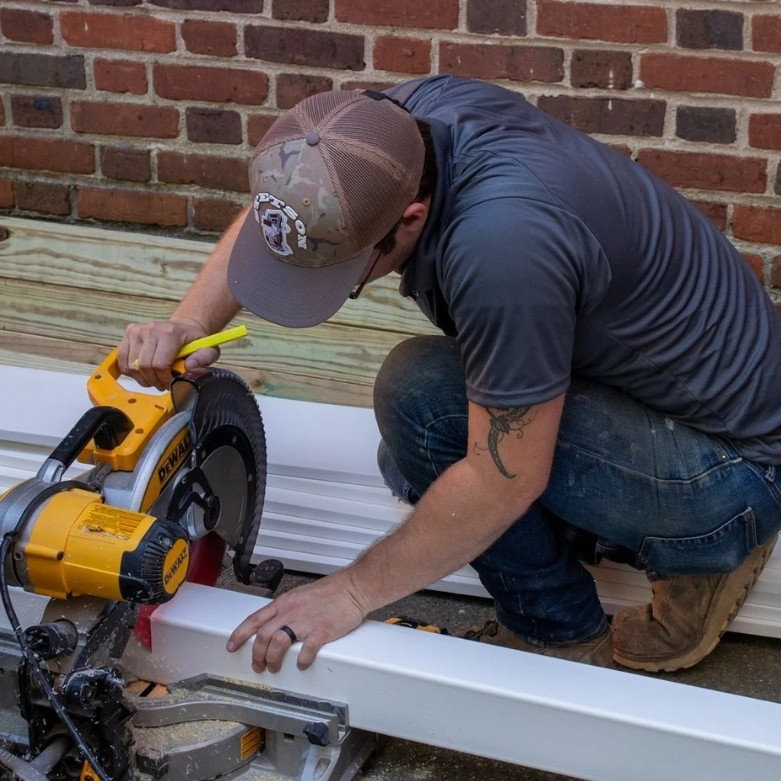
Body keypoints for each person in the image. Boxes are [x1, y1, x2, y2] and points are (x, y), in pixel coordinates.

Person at [119, 75, 781, 675]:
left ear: (409, 218)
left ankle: (571, 629)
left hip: (728, 475)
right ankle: (635, 539)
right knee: (416, 459)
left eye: (337, 271)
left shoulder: (501, 250)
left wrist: (348, 590)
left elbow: (500, 482)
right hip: (678, 398)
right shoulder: (389, 127)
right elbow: (292, 195)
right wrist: (188, 323)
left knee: (422, 405)